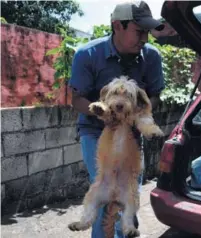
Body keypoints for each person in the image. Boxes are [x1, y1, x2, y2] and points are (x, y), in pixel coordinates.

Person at [68, 1, 165, 237]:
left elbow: (155, 96)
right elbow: (76, 99)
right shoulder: (88, 54)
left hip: (131, 131)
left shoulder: (151, 56)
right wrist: (102, 114)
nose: (145, 38)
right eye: (139, 31)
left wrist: (140, 114)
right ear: (117, 26)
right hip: (95, 130)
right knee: (105, 194)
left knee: (127, 194)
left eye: (147, 31)